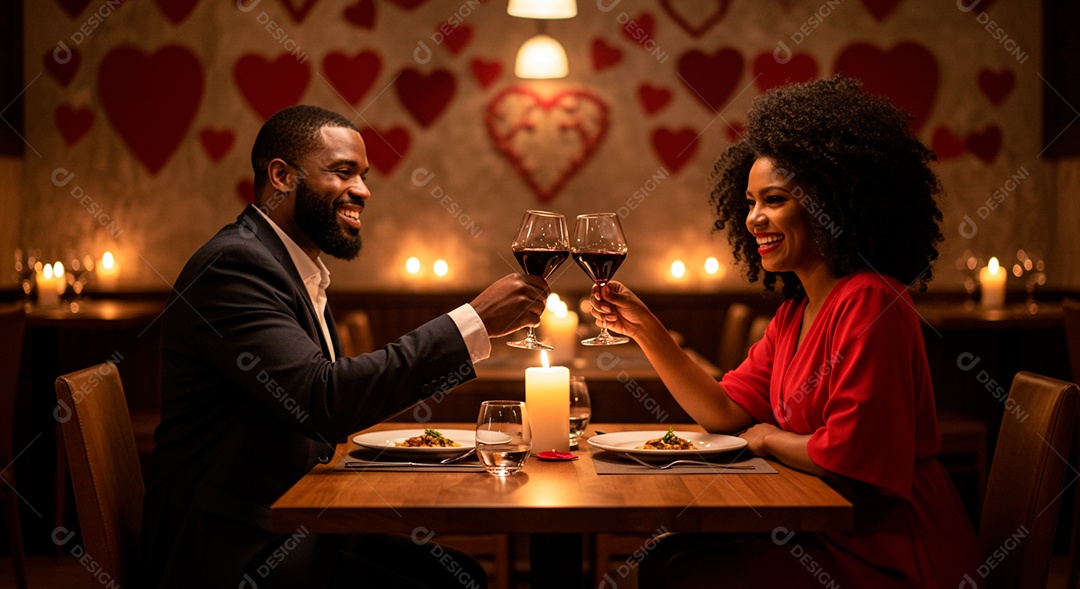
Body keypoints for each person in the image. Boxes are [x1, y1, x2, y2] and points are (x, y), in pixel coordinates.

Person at [590, 77, 981, 587]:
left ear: (836, 202)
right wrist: (647, 332)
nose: (754, 219)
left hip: (889, 550)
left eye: (773, 200)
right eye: (750, 201)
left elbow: (849, 461)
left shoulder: (871, 300)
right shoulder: (795, 313)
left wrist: (770, 439)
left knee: (682, 569)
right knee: (670, 559)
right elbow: (723, 412)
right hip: (824, 530)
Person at [141, 105, 548, 588]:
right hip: (230, 550)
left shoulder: (286, 266)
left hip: (286, 520)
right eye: (342, 171)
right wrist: (473, 322)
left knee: (459, 574)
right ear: (281, 176)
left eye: (364, 175)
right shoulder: (234, 265)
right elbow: (322, 399)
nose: (363, 190)